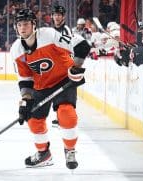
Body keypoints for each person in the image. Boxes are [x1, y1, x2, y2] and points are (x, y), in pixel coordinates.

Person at [10, 8, 90, 169]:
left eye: (26, 24)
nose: (22, 28)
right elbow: (25, 79)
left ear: (34, 25)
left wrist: (76, 68)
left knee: (66, 113)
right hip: (41, 86)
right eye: (19, 25)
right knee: (33, 119)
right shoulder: (16, 49)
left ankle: (70, 150)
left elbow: (82, 45)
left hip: (63, 80)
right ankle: (43, 154)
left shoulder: (49, 35)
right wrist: (26, 100)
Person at [51, 5, 72, 127]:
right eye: (55, 15)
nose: (57, 17)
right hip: (54, 66)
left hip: (64, 66)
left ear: (63, 16)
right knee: (56, 92)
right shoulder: (52, 31)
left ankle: (64, 118)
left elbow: (70, 47)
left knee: (65, 93)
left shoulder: (66, 30)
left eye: (59, 15)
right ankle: (59, 117)